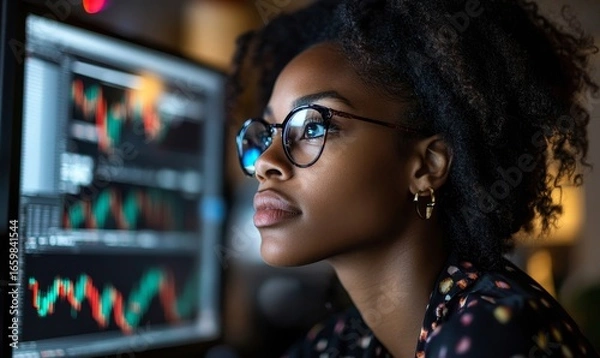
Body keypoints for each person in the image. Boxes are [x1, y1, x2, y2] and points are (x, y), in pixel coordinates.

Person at [228, 0, 600, 356]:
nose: (265, 162)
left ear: (426, 167)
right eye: (267, 134)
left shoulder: (498, 334)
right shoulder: (349, 340)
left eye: (312, 128)